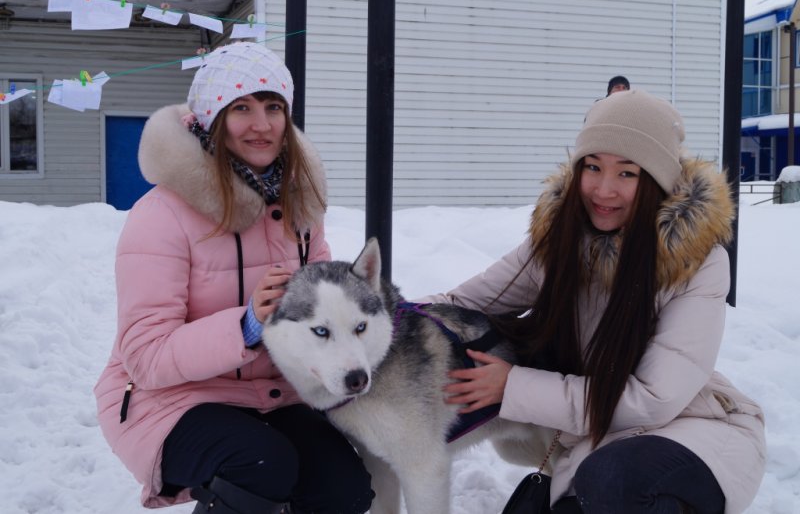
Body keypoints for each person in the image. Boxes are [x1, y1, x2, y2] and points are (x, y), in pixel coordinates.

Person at [427, 90, 766, 513]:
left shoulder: (697, 262)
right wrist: (365, 321)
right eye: (593, 167)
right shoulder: (558, 244)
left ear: (656, 180)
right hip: (594, 441)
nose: (604, 190)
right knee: (601, 481)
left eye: (627, 173)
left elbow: (653, 399)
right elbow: (462, 302)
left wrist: (513, 385)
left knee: (617, 480)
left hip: (692, 431)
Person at [94, 42, 374, 514]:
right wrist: (246, 324)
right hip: (166, 400)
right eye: (241, 108)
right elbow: (144, 357)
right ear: (211, 119)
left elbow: (323, 308)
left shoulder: (301, 207)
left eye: (273, 107)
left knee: (343, 490)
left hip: (271, 394)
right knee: (264, 463)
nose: (261, 124)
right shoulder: (160, 216)